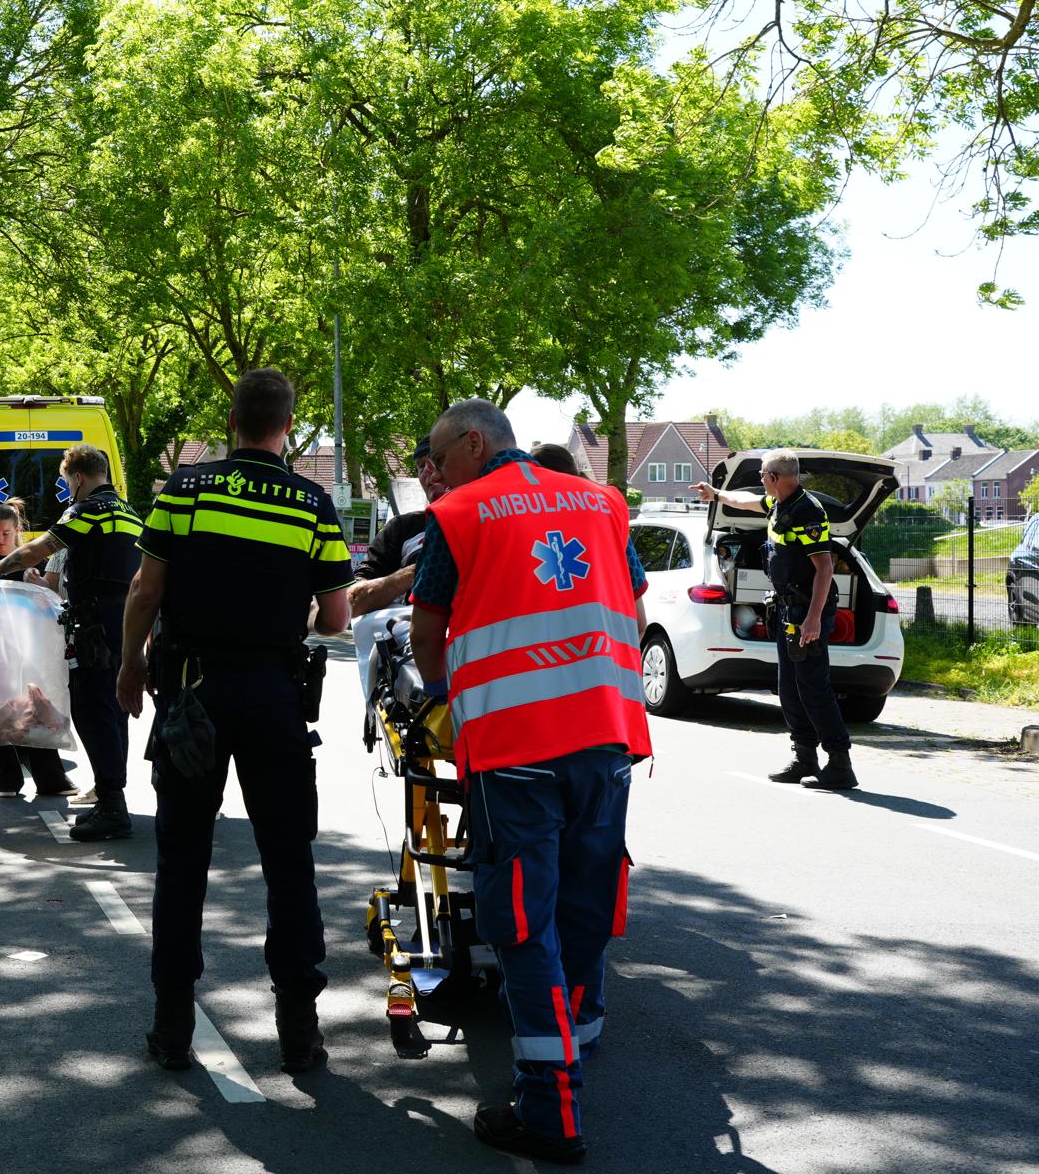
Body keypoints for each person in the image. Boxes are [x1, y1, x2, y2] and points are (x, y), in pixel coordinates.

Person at [408, 398, 651, 1164]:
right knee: (585, 903)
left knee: (520, 924)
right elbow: (633, 602)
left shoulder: (462, 513)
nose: (435, 474)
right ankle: (577, 1041)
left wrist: (451, 707)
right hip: (606, 741)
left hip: (515, 752)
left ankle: (550, 1109)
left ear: (474, 444)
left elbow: (427, 629)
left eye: (441, 458)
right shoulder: (603, 502)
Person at [118, 368, 353, 1074]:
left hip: (192, 694)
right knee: (289, 862)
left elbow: (145, 588)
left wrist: (131, 666)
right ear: (288, 425)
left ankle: (172, 1028)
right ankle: (299, 1033)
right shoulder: (313, 503)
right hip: (274, 698)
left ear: (231, 420)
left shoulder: (184, 490)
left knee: (181, 861)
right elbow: (336, 617)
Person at [0, 444, 143, 841]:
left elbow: (40, 549)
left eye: (65, 482)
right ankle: (114, 793)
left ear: (77, 478)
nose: (67, 489)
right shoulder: (131, 515)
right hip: (126, 622)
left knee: (93, 712)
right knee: (115, 710)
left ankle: (112, 805)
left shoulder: (84, 511)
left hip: (93, 625)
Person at [694, 449, 856, 789]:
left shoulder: (808, 511)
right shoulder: (778, 503)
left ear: (774, 478)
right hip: (787, 609)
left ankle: (840, 763)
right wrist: (717, 495)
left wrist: (813, 619)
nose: (759, 481)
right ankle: (804, 758)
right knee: (789, 687)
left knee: (813, 687)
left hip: (806, 610)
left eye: (762, 475)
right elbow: (745, 502)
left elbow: (825, 568)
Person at [0, 499, 80, 800]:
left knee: (35, 706)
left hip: (25, 645)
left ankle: (49, 777)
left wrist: (40, 585)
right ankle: (5, 779)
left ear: (17, 532)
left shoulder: (32, 564)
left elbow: (52, 604)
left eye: (5, 533)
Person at [349, 437, 447, 619]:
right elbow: (352, 601)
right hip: (415, 641)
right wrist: (421, 569)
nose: (428, 471)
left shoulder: (490, 519)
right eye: (420, 465)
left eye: (437, 461)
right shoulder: (402, 528)